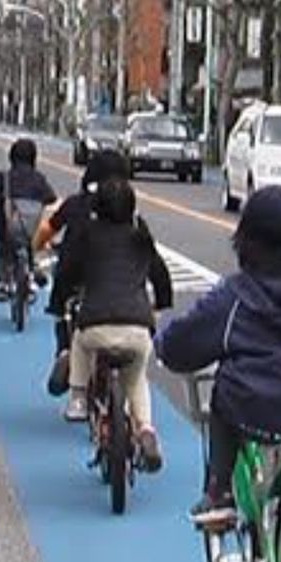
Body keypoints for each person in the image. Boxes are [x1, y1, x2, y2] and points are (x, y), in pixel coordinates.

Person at [155, 186, 281, 528]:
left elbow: (184, 345)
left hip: (254, 412)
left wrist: (163, 343)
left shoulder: (236, 296)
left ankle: (219, 491)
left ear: (246, 240)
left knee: (221, 397)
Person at [52, 178, 173, 471]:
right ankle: (145, 430)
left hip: (96, 324)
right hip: (137, 327)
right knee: (136, 380)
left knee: (79, 342)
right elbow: (161, 277)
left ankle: (78, 397)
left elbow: (67, 273)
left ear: (96, 207)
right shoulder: (141, 239)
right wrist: (160, 304)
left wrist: (58, 302)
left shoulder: (87, 236)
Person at [33, 149, 131, 395]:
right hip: (115, 277)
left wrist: (37, 247)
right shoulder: (126, 206)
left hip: (74, 273)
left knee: (61, 306)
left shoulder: (75, 203)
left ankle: (65, 350)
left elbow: (48, 229)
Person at [0, 139, 58, 302]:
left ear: (11, 157)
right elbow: (51, 197)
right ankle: (33, 270)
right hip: (31, 229)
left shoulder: (3, 177)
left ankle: (2, 284)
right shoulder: (39, 179)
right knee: (31, 243)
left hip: (7, 229)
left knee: (1, 249)